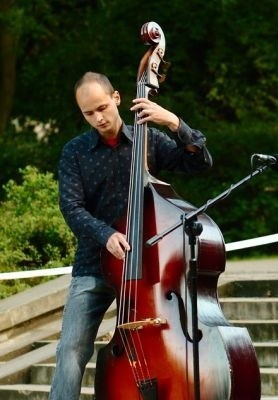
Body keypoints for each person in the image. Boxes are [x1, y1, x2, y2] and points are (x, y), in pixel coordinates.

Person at [50, 71, 213, 400]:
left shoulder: (147, 139)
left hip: (149, 270)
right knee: (70, 350)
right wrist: (106, 234)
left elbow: (200, 163)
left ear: (117, 99)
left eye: (101, 108)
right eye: (88, 113)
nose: (98, 118)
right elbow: (72, 207)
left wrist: (174, 123)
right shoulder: (74, 152)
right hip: (94, 264)